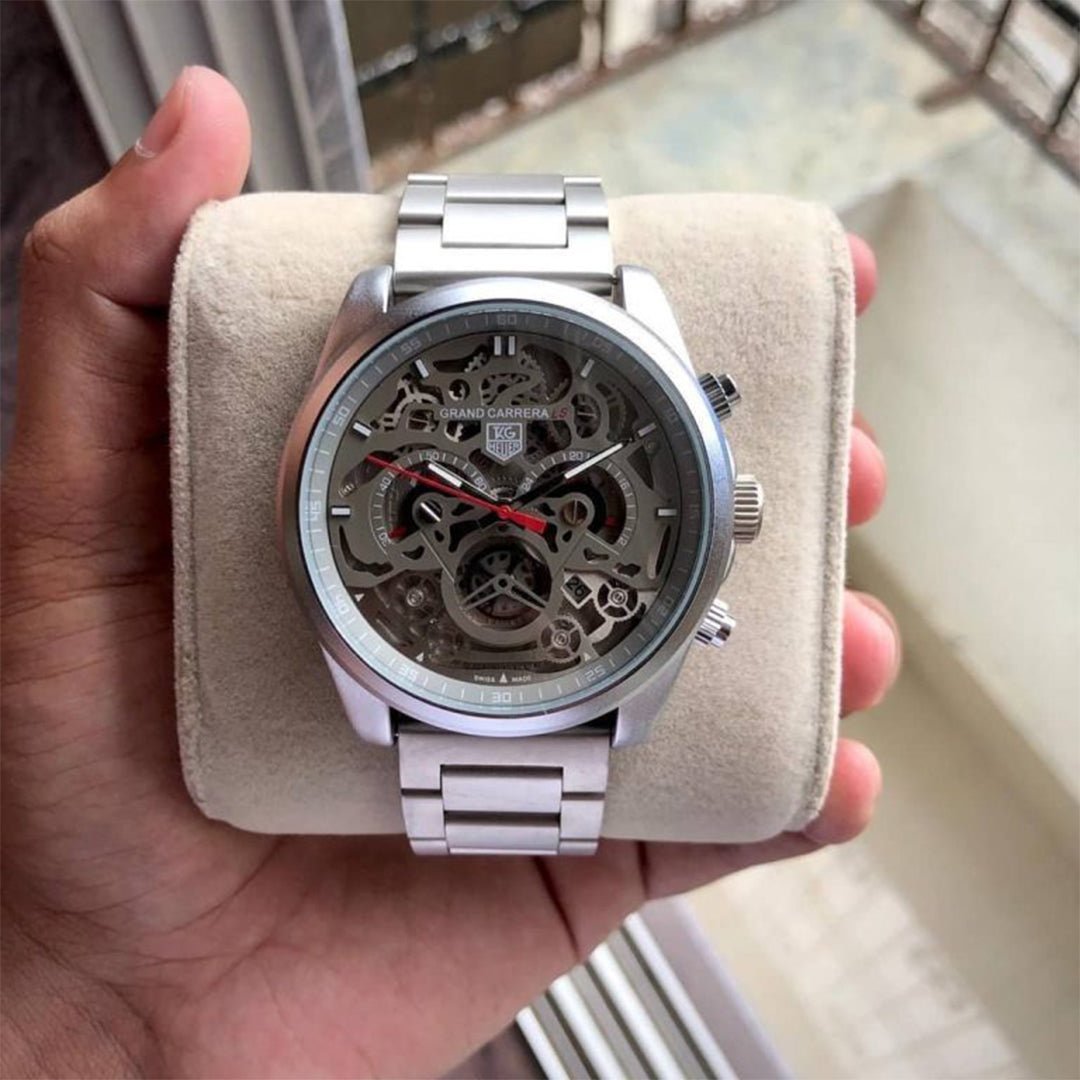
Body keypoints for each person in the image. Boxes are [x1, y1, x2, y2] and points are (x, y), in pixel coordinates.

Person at [1, 68, 898, 1078]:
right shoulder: (387, 322)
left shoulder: (592, 359)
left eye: (533, 511)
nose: (510, 517)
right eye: (484, 505)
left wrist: (99, 1014)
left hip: (511, 625)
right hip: (462, 628)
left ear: (729, 510)